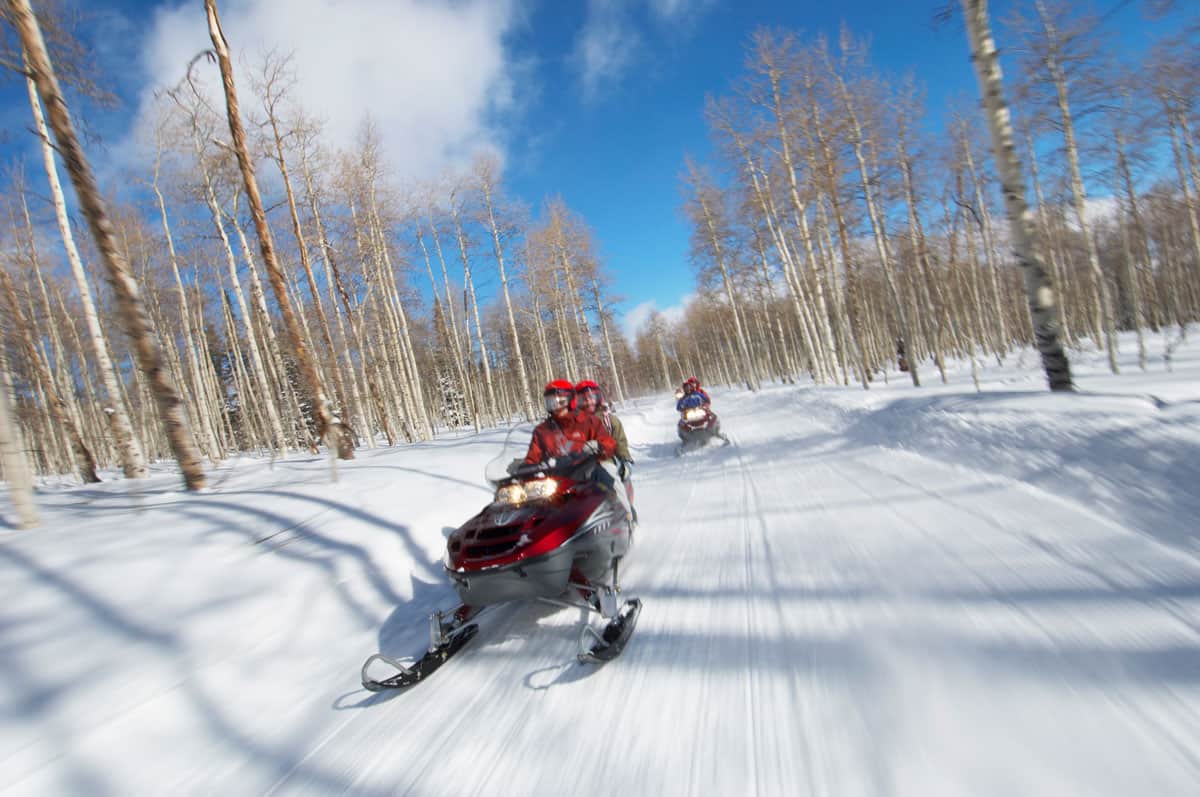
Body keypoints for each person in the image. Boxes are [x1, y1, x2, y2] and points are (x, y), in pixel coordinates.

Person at [524, 379, 617, 466]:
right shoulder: (542, 430)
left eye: (561, 402)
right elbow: (533, 456)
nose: (556, 407)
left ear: (570, 401)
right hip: (556, 475)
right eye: (550, 403)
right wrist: (525, 467)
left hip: (588, 471)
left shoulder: (588, 421)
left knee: (608, 476)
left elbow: (608, 443)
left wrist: (599, 446)